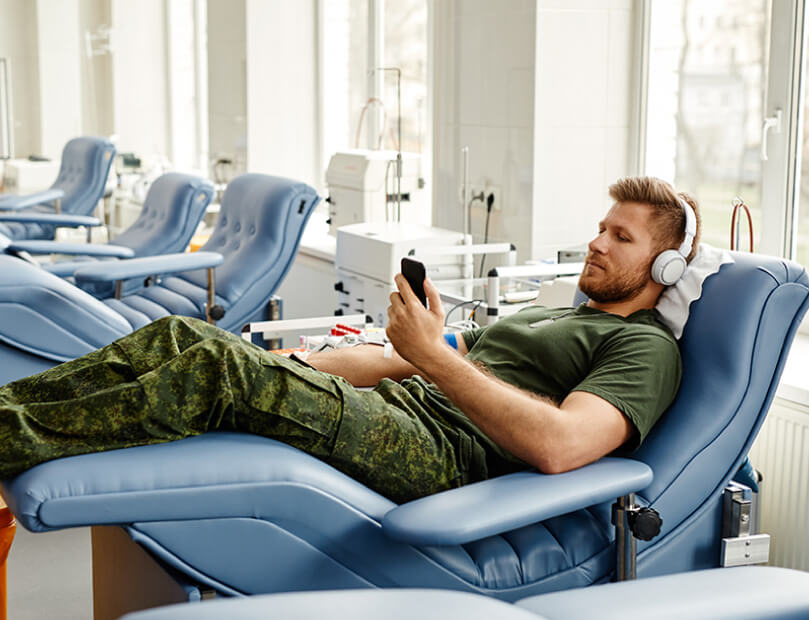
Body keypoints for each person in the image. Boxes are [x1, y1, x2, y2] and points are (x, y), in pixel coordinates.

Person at [0, 177, 699, 504]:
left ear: (664, 267)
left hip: (439, 454)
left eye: (620, 236)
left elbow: (559, 446)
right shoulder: (558, 316)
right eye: (601, 226)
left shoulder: (645, 349)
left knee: (213, 368)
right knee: (184, 333)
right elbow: (399, 361)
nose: (595, 241)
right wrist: (294, 360)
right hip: (404, 406)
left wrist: (433, 359)